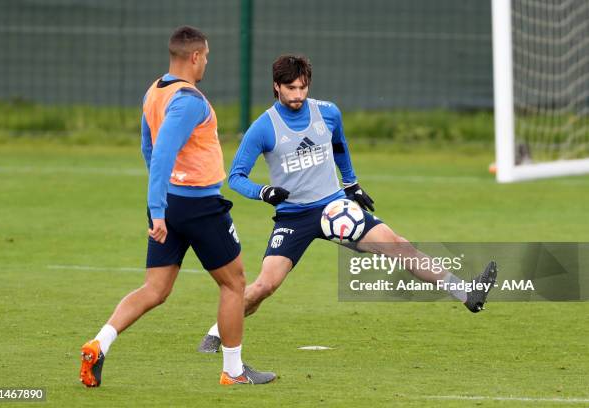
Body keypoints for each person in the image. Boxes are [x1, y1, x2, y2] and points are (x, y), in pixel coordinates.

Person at [198, 54, 497, 353]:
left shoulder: (328, 113)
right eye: (291, 88)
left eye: (303, 87)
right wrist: (264, 192)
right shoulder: (264, 127)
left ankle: (467, 293)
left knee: (399, 245)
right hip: (293, 218)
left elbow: (339, 145)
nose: (298, 95)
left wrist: (351, 182)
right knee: (266, 286)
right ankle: (216, 332)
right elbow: (236, 177)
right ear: (276, 86)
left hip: (336, 209)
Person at [79, 26, 275, 386]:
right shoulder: (190, 101)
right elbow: (162, 155)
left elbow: (147, 148)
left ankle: (99, 343)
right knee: (235, 284)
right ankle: (233, 371)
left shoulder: (156, 90)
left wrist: (162, 203)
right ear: (195, 56)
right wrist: (158, 210)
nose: (206, 65)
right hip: (198, 207)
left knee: (155, 289)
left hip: (172, 204)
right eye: (207, 57)